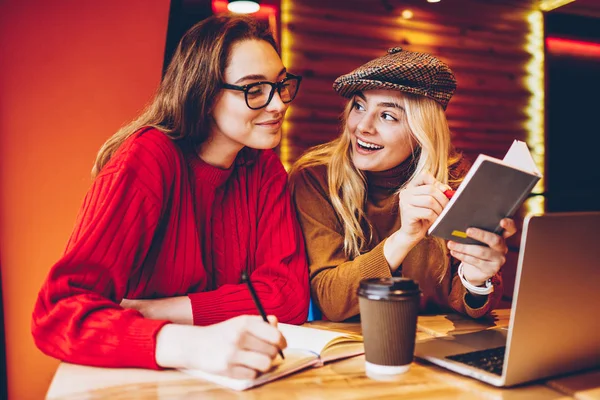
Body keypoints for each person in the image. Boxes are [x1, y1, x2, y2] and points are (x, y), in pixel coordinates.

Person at [32, 15, 309, 379]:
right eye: (253, 89)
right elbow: (58, 313)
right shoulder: (148, 158)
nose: (277, 105)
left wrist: (152, 310)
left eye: (280, 84)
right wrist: (191, 344)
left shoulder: (265, 169)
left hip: (231, 376)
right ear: (204, 94)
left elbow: (286, 297)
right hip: (141, 374)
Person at [289, 47, 516, 322]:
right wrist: (404, 238)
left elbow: (467, 303)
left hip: (433, 346)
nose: (363, 126)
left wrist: (476, 279)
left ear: (421, 133)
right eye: (359, 106)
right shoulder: (316, 177)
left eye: (388, 116)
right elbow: (331, 300)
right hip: (350, 349)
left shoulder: (452, 180)